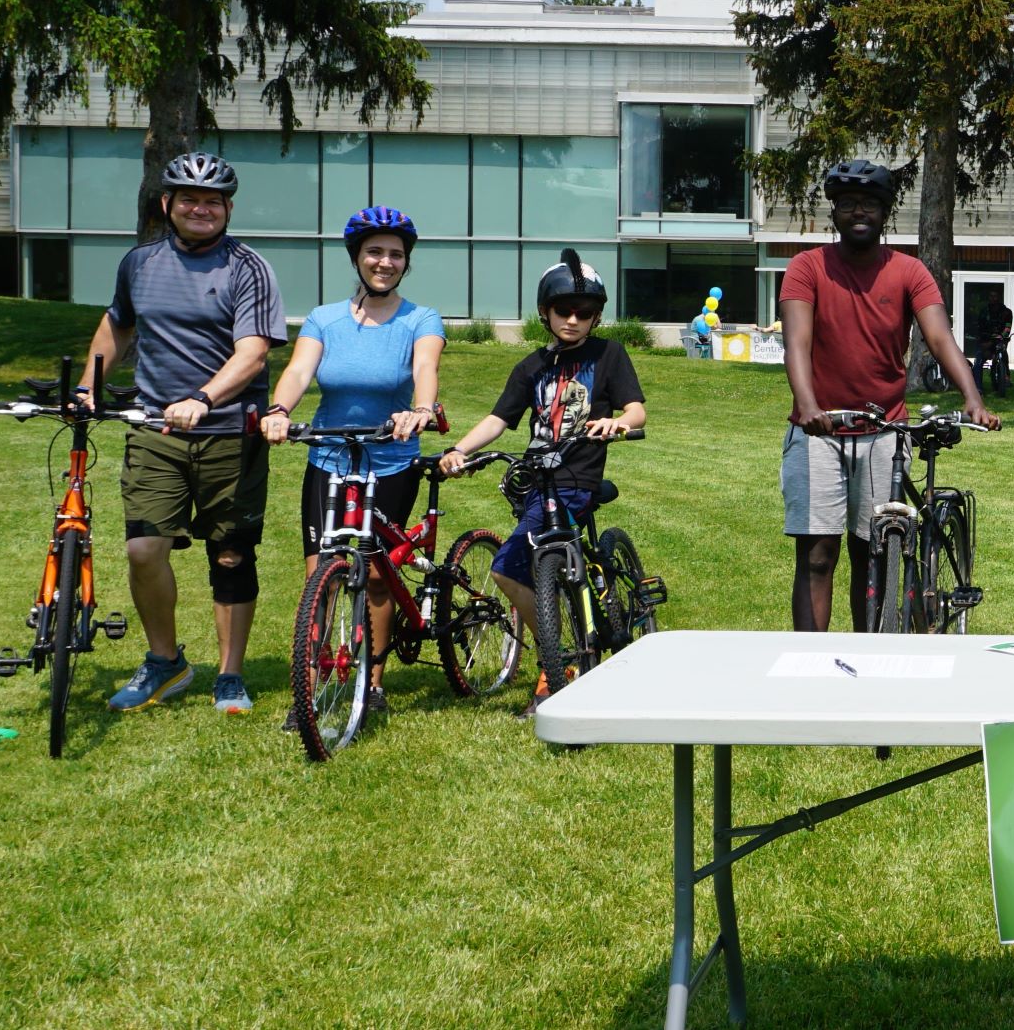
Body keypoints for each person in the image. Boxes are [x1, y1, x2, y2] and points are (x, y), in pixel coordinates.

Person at [83, 152, 288, 716]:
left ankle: (229, 673)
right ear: (167, 204)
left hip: (229, 433)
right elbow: (117, 326)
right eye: (191, 200)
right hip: (155, 430)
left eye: (213, 201)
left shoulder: (249, 268)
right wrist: (88, 387)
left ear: (227, 209)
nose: (202, 209)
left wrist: (203, 398)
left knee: (230, 555)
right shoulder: (140, 263)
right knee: (143, 547)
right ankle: (165, 661)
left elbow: (253, 352)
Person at [777, 159, 998, 632]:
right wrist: (809, 405)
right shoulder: (806, 268)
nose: (860, 213)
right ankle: (810, 661)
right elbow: (795, 342)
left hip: (882, 433)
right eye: (849, 205)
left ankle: (867, 656)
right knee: (817, 555)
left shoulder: (909, 271)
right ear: (834, 213)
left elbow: (940, 337)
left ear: (884, 213)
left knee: (873, 553)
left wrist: (972, 397)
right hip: (819, 433)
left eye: (870, 205)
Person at [437, 249, 647, 717]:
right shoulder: (531, 366)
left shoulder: (610, 355)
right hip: (538, 479)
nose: (573, 320)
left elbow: (637, 409)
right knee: (511, 573)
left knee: (513, 568)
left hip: (578, 478)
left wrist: (617, 422)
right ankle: (561, 654)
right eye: (563, 311)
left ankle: (559, 664)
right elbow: (498, 419)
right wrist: (460, 451)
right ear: (545, 314)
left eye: (585, 313)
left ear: (596, 317)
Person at [261, 206, 445, 722]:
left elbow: (425, 369)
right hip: (329, 455)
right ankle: (312, 684)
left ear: (405, 263)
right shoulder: (324, 318)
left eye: (395, 254)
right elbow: (299, 371)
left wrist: (421, 410)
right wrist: (279, 411)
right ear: (357, 258)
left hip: (390, 458)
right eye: (374, 252)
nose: (384, 262)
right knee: (321, 572)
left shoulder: (421, 318)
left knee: (379, 574)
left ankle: (374, 681)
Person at [688, 289, 721, 360]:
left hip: (702, 337)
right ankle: (706, 358)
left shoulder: (708, 318)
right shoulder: (700, 319)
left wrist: (716, 316)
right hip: (696, 338)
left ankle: (708, 358)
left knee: (710, 339)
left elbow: (719, 327)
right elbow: (714, 328)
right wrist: (715, 318)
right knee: (709, 340)